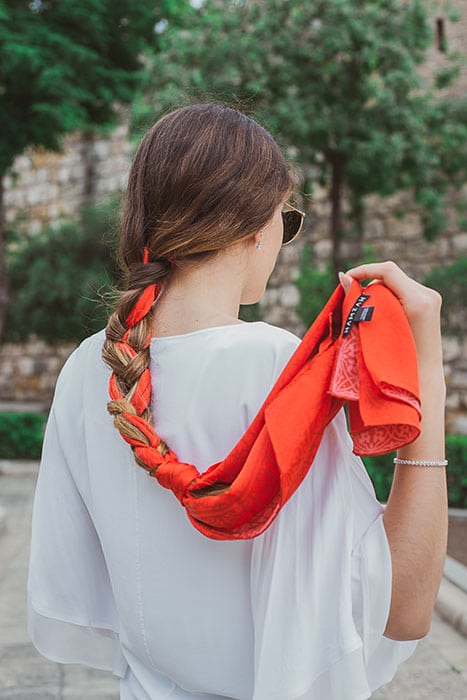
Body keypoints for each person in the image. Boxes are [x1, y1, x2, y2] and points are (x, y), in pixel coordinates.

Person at [27, 103, 447, 700]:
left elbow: (85, 589)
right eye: (288, 219)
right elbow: (400, 609)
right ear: (256, 226)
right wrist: (425, 375)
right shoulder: (276, 369)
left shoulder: (85, 369)